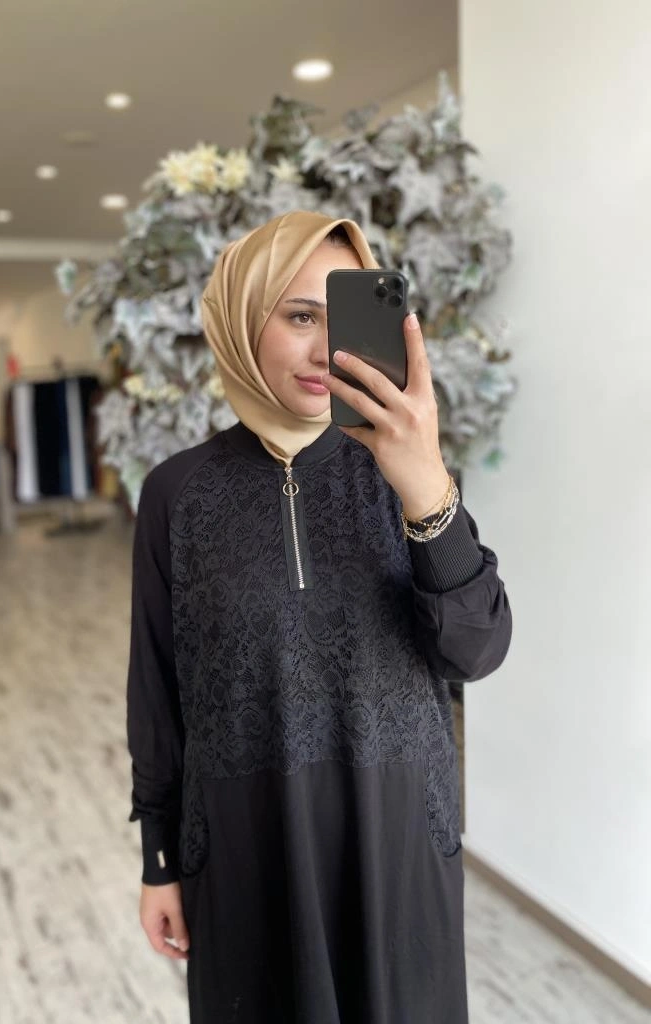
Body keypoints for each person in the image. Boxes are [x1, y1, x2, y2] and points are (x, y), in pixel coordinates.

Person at [127, 210, 512, 1023]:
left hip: (396, 844)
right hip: (245, 850)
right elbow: (157, 688)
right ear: (242, 321)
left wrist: (424, 487)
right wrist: (159, 856)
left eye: (344, 321)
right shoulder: (176, 494)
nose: (326, 351)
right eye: (301, 316)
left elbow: (476, 649)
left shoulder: (407, 470)